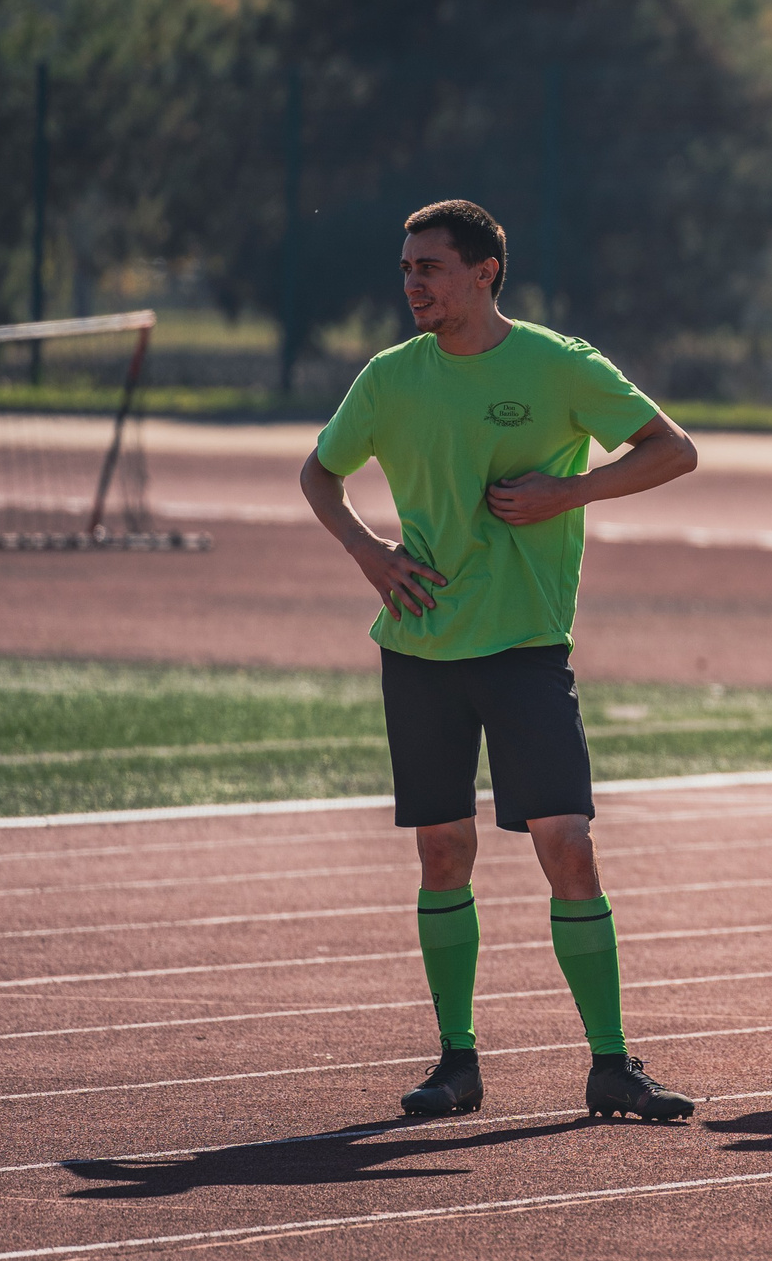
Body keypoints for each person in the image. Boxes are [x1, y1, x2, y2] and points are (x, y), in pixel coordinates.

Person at [300, 199, 701, 1122]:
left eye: (430, 268)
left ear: (485, 272)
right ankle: (457, 1062)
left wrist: (574, 488)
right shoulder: (391, 377)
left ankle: (611, 1063)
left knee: (567, 845)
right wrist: (370, 553)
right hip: (423, 646)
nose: (413, 284)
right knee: (444, 850)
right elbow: (319, 471)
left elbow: (673, 449)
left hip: (524, 648)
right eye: (406, 269)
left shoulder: (559, 364)